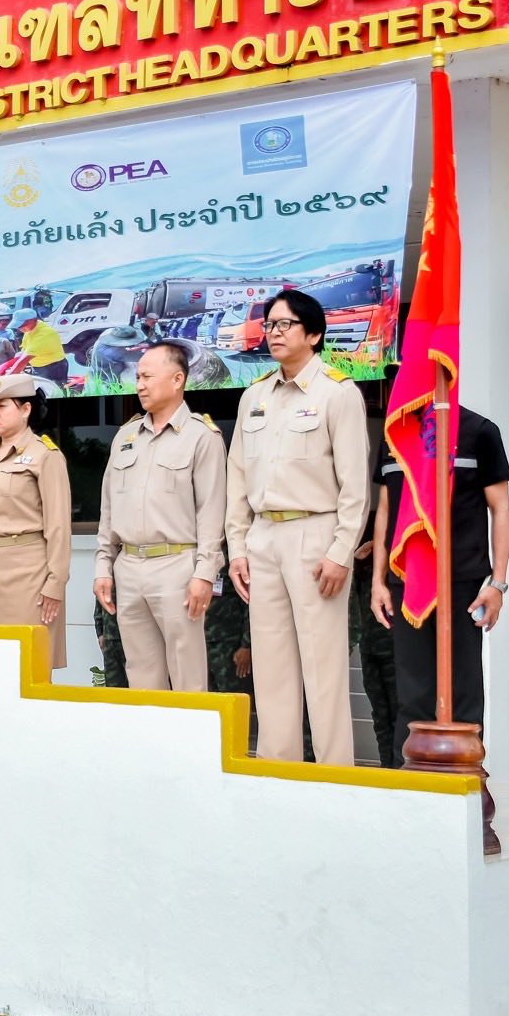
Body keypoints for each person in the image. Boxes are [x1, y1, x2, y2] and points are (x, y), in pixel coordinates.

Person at [225, 290, 369, 765]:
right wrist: (237, 547)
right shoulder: (254, 396)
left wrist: (341, 551)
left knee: (323, 666)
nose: (275, 332)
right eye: (270, 325)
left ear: (314, 334)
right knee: (270, 665)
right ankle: (277, 769)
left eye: (286, 325)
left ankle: (335, 775)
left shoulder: (338, 392)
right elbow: (238, 478)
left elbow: (354, 485)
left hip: (315, 534)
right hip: (262, 536)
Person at [369, 403, 509, 745]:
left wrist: (498, 583)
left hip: (463, 583)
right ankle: (412, 786)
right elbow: (386, 509)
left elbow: (501, 508)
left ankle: (468, 781)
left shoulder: (479, 430)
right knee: (412, 692)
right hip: (406, 580)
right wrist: (378, 580)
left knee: (464, 691)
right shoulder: (394, 432)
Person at [94, 342, 226, 692]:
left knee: (187, 676)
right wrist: (103, 567)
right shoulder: (125, 437)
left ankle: (193, 747)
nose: (139, 384)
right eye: (137, 377)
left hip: (177, 566)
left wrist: (205, 575)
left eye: (148, 376)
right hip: (129, 566)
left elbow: (212, 513)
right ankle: (152, 747)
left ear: (178, 379)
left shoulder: (202, 436)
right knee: (141, 675)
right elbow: (109, 511)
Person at [0, 373, 71, 667]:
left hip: (27, 575)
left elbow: (59, 526)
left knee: (29, 664)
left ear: (25, 409)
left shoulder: (44, 456)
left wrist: (55, 583)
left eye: (3, 406)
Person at [351, 529, 401, 767]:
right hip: (369, 648)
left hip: (395, 651)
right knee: (380, 714)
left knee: (399, 712)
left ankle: (400, 766)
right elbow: (347, 589)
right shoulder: (364, 570)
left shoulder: (399, 566)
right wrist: (357, 559)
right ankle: (387, 767)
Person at [8, 306, 68, 387]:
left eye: (21, 325)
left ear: (33, 320)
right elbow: (23, 351)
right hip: (38, 366)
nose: (20, 328)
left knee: (55, 392)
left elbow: (24, 359)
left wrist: (7, 378)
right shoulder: (30, 330)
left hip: (54, 367)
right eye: (18, 326)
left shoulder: (45, 334)